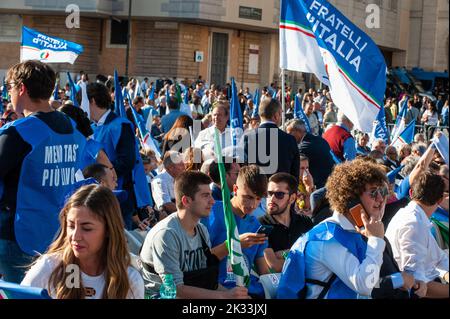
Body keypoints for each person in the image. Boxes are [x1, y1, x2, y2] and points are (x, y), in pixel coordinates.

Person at [0, 61, 86, 283]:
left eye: (8, 87)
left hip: (19, 237)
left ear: (21, 88)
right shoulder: (72, 127)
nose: (8, 93)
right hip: (60, 235)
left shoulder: (19, 133)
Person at [278, 159, 408, 299]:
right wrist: (375, 240)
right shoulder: (327, 239)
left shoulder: (352, 231)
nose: (381, 198)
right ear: (351, 199)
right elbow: (365, 286)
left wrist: (401, 280)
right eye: (373, 192)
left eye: (383, 191)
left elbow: (369, 279)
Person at [21, 185, 144, 299]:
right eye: (71, 226)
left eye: (87, 228)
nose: (75, 236)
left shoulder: (130, 279)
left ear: (108, 230)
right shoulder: (50, 267)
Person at [140, 171, 249, 299]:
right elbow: (174, 289)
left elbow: (205, 282)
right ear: (186, 201)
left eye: (211, 195)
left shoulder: (201, 230)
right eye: (205, 196)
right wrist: (225, 296)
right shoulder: (166, 235)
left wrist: (234, 296)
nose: (212, 201)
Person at [87, 83, 150, 230]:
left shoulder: (121, 125)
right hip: (99, 195)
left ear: (92, 101)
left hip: (119, 198)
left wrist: (99, 174)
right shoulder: (92, 127)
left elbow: (127, 161)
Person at [202, 165, 270, 298]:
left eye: (258, 199)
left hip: (248, 292)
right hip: (215, 290)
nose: (253, 205)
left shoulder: (255, 224)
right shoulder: (211, 212)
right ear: (235, 189)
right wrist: (234, 244)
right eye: (248, 197)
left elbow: (264, 271)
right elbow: (199, 262)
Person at [386, 171, 449, 298]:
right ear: (440, 199)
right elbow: (416, 285)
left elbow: (439, 258)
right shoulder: (414, 224)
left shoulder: (412, 216)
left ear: (411, 193)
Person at [259, 173, 313, 273]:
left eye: (279, 195)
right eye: (269, 193)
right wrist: (301, 255)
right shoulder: (260, 225)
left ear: (292, 198)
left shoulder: (305, 222)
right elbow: (274, 265)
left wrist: (283, 254)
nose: (272, 199)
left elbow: (315, 256)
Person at [243, 98, 300, 179]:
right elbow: (295, 173)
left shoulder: (248, 137)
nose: (281, 118)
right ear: (276, 116)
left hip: (255, 189)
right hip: (282, 189)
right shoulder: (289, 140)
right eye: (281, 114)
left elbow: (243, 170)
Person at [286, 119, 334, 189]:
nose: (288, 137)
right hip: (330, 182)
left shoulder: (303, 147)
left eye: (290, 133)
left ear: (298, 132)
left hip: (318, 187)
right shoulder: (321, 140)